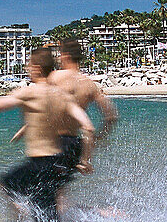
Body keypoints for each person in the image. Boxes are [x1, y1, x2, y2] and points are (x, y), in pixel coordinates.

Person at [0, 47, 96, 222]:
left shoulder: (30, 91)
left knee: (4, 185)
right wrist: (84, 160)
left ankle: (22, 218)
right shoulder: (63, 96)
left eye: (29, 66)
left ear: (37, 69)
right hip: (57, 165)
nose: (27, 69)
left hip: (39, 165)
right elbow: (89, 128)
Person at [49, 38, 118, 179]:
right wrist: (98, 139)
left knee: (30, 188)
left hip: (54, 143)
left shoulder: (55, 77)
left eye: (60, 55)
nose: (59, 58)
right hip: (74, 145)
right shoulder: (90, 84)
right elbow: (111, 116)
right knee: (58, 190)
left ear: (66, 56)